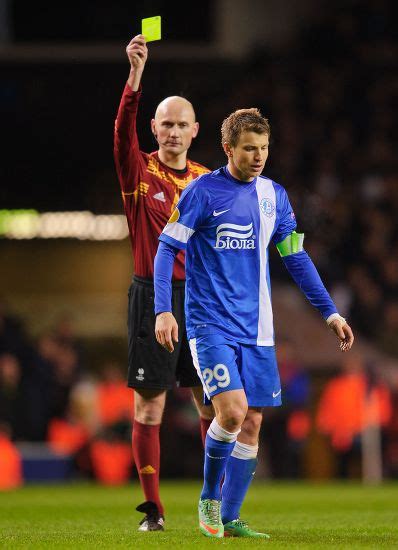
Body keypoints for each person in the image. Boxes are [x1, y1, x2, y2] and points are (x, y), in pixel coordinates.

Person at [154, 107, 354, 538]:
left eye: (263, 148)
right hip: (210, 324)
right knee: (231, 411)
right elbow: (166, 249)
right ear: (228, 149)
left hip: (258, 329)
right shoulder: (200, 193)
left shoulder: (274, 196)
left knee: (254, 422)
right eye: (249, 148)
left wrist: (330, 312)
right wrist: (163, 308)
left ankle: (230, 516)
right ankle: (209, 499)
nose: (258, 156)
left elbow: (295, 257)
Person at [113, 35, 213, 531]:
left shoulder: (207, 180)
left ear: (195, 131)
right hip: (150, 297)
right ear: (154, 128)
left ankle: (212, 501)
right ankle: (153, 509)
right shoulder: (138, 171)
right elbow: (119, 135)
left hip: (199, 301)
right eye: (165, 124)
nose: (172, 131)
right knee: (149, 404)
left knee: (211, 401)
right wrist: (135, 76)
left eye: (181, 124)